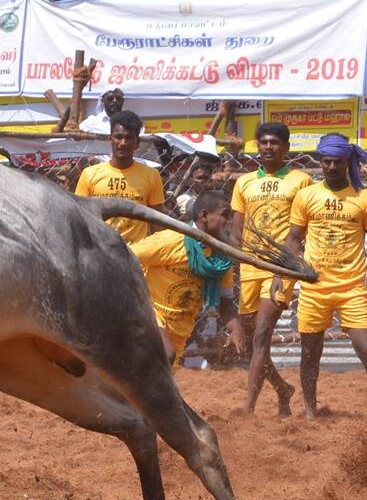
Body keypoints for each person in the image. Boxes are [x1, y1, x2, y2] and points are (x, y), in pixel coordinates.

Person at [278, 133, 367, 419]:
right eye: (326, 161)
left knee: (366, 347)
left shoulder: (363, 198)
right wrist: (280, 274)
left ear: (347, 162)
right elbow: (294, 239)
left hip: (352, 287)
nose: (331, 167)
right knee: (310, 351)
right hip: (314, 286)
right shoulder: (307, 196)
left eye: (337, 162)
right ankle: (309, 410)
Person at [231, 122, 309, 416]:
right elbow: (237, 229)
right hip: (250, 267)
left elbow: (302, 229)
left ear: (286, 147)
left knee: (262, 333)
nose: (268, 147)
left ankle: (247, 410)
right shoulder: (244, 182)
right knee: (254, 343)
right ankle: (282, 388)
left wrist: (286, 266)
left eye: (274, 142)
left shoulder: (301, 181)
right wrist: (238, 262)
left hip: (280, 268)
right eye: (263, 142)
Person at [131, 191, 237, 365]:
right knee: (166, 355)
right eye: (225, 214)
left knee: (163, 372)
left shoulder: (220, 260)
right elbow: (125, 256)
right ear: (204, 216)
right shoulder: (170, 241)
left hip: (180, 330)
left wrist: (235, 328)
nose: (229, 221)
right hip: (150, 314)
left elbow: (226, 302)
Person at [74, 110, 166, 244]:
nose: (123, 143)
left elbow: (158, 226)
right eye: (118, 137)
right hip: (101, 251)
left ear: (137, 142)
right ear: (110, 139)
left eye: (129, 138)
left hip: (137, 253)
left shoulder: (151, 175)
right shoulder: (89, 174)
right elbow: (80, 220)